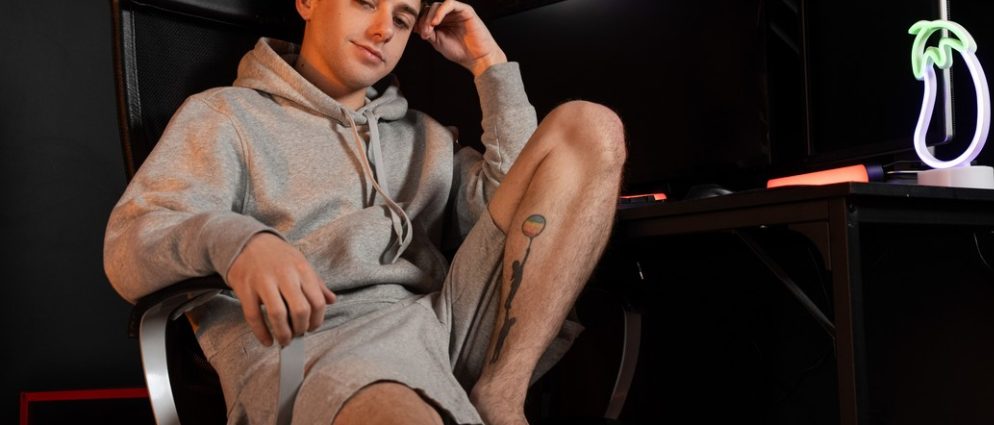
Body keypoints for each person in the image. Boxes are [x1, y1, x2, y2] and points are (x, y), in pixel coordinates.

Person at [103, 0, 625, 423]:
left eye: (402, 18)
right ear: (307, 2)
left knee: (590, 127)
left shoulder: (424, 134)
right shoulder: (225, 116)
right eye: (364, 2)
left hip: (446, 325)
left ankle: (502, 396)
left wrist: (489, 67)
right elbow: (130, 241)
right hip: (317, 348)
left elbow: (526, 207)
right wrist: (241, 242)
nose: (382, 30)